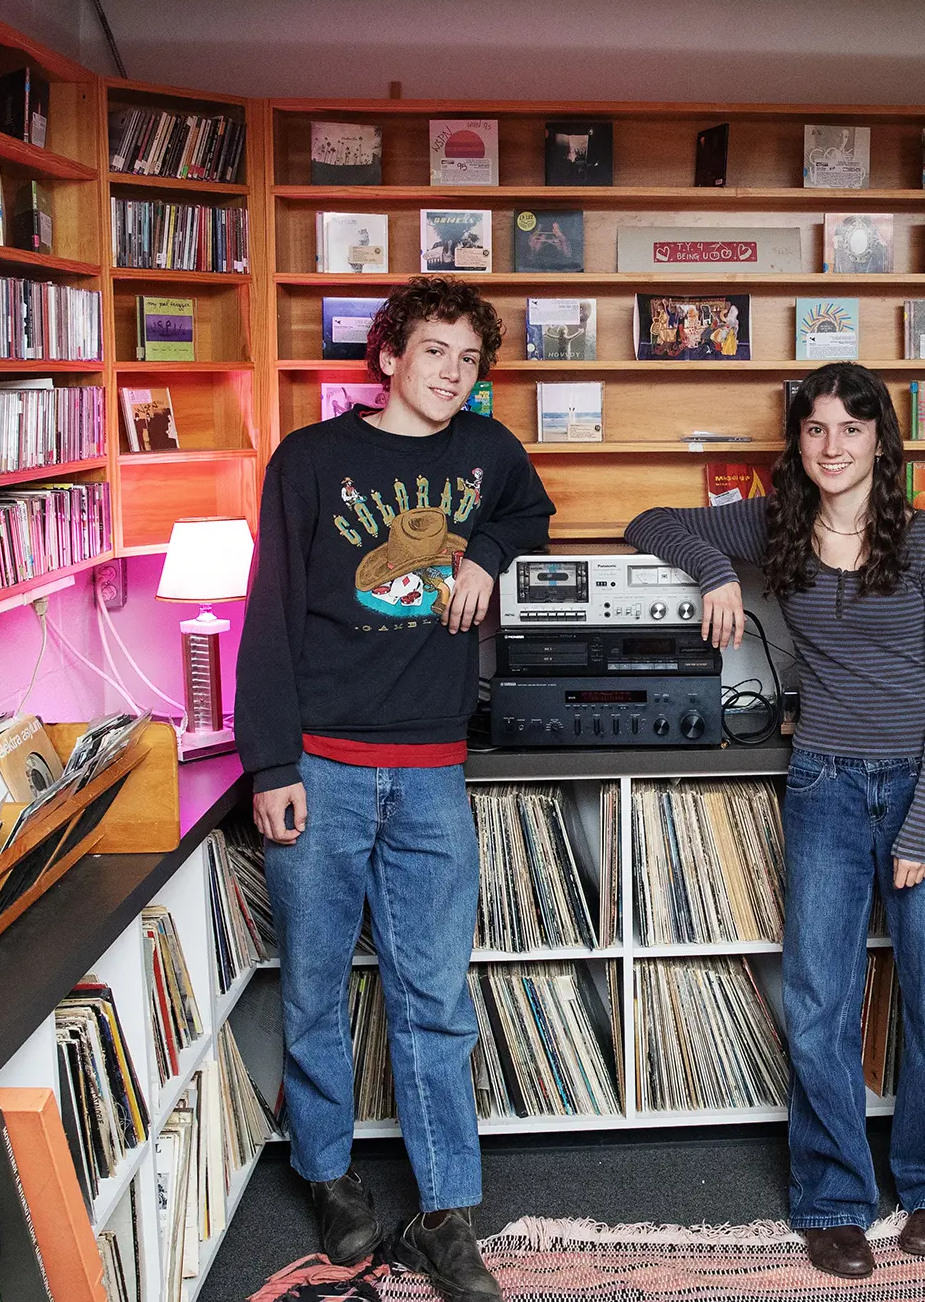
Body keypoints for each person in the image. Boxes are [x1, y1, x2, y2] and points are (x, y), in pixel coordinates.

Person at [627, 362, 925, 1279]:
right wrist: (717, 572)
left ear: (880, 441)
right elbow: (650, 522)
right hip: (824, 784)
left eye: (851, 429)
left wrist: (921, 826)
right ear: (797, 441)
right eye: (816, 428)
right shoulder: (776, 524)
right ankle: (833, 1197)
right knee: (820, 999)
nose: (833, 446)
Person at [236, 276, 555, 1302]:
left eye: (468, 360)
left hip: (430, 774)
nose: (451, 374)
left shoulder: (487, 452)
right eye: (434, 353)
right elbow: (269, 612)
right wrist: (269, 763)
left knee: (434, 998)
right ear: (387, 356)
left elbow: (532, 510)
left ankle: (443, 1211)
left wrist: (488, 555)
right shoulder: (310, 460)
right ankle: (329, 1174)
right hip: (321, 767)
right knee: (316, 987)